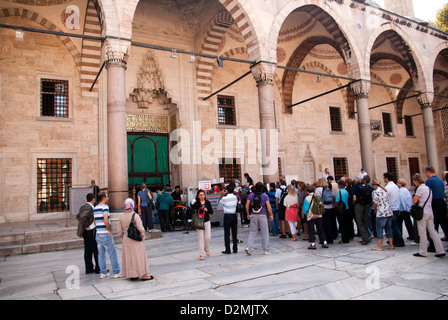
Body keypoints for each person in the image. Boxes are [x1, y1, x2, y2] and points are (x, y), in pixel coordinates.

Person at [117, 198, 154, 281]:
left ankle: (133, 275)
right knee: (139, 257)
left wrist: (123, 238)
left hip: (126, 239)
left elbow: (119, 232)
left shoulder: (121, 217)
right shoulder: (135, 216)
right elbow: (141, 229)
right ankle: (143, 275)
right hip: (136, 239)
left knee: (129, 258)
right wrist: (142, 237)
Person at [412, 174, 445, 258]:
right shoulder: (428, 188)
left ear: (416, 181)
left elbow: (414, 200)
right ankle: (440, 250)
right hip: (430, 212)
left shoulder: (420, 188)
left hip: (422, 213)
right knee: (433, 232)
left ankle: (423, 251)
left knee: (422, 232)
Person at [94, 193, 121, 279]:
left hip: (98, 233)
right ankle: (116, 272)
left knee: (101, 254)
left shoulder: (95, 208)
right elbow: (105, 219)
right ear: (104, 198)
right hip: (105, 233)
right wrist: (109, 230)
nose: (108, 198)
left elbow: (94, 221)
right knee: (112, 253)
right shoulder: (105, 207)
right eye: (107, 197)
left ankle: (103, 272)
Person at [245, 182, 273, 255]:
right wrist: (271, 214)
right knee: (264, 232)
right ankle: (266, 249)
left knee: (252, 232)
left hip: (253, 214)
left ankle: (248, 247)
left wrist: (248, 213)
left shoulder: (251, 195)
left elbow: (247, 205)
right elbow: (268, 206)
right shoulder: (265, 195)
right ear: (262, 188)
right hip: (262, 215)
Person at [76, 193, 99, 274]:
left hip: (86, 232)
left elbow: (78, 216)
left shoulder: (83, 206)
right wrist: (87, 225)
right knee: (95, 250)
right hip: (90, 231)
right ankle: (98, 268)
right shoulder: (89, 207)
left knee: (88, 250)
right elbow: (81, 217)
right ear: (93, 199)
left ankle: (89, 268)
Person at [424, 166, 448, 242]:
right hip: (442, 202)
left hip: (434, 203)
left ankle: (433, 244)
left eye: (425, 173)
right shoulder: (440, 180)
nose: (425, 175)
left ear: (428, 172)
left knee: (433, 225)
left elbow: (427, 194)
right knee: (444, 223)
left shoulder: (429, 181)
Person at [303, 184, 328, 249]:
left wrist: (305, 213)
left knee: (311, 230)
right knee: (320, 229)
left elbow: (305, 209)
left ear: (307, 191)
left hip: (311, 216)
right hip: (319, 215)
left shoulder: (307, 198)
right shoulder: (318, 196)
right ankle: (325, 242)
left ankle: (312, 243)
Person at [383, 172, 405, 247]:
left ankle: (400, 241)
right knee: (394, 225)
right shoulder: (395, 186)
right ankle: (395, 240)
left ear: (386, 178)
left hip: (391, 208)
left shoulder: (388, 187)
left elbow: (385, 198)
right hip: (396, 208)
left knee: (393, 226)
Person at [371, 179, 394, 251]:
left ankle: (380, 246)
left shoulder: (376, 192)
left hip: (381, 213)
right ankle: (391, 244)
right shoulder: (384, 190)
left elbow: (375, 203)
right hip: (389, 212)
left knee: (379, 229)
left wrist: (375, 208)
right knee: (389, 228)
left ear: (374, 185)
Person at [191, 190, 214, 260]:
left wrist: (206, 210)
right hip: (199, 221)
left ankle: (206, 248)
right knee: (201, 238)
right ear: (198, 196)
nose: (202, 196)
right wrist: (200, 209)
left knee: (208, 237)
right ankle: (201, 254)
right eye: (200, 195)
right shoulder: (196, 204)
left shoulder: (207, 202)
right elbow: (193, 211)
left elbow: (211, 211)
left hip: (207, 221)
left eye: (203, 195)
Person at [353, 176, 374, 245]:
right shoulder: (365, 187)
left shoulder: (355, 188)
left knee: (360, 222)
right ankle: (368, 235)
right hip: (366, 205)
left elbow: (354, 198)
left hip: (359, 205)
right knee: (366, 221)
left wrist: (354, 204)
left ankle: (365, 238)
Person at [219, 183, 239, 254]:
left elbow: (220, 203)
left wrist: (222, 195)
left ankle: (228, 249)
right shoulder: (235, 197)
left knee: (227, 233)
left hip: (227, 216)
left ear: (227, 190)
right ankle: (235, 248)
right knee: (234, 233)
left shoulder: (224, 198)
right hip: (234, 215)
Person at [315, 178, 335, 244]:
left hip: (323, 208)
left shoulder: (318, 189)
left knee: (322, 224)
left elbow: (317, 199)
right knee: (329, 223)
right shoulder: (328, 189)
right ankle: (330, 238)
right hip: (330, 207)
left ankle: (323, 239)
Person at [335, 180, 350, 244]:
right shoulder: (346, 191)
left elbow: (337, 201)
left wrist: (335, 206)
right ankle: (347, 238)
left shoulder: (339, 192)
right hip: (346, 208)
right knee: (346, 224)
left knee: (342, 224)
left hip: (341, 210)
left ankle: (344, 239)